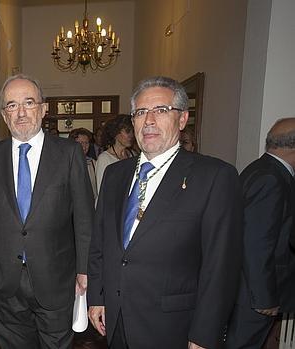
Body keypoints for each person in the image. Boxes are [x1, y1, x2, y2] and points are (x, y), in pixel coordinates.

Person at [88, 76, 243, 349]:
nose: (149, 120)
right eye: (140, 113)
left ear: (182, 120)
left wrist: (205, 334)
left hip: (173, 327)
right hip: (117, 319)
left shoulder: (214, 177)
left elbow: (221, 266)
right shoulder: (115, 174)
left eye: (161, 110)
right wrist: (97, 296)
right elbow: (100, 243)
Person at [0, 74, 94, 349]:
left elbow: (84, 217)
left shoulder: (69, 153)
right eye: (12, 105)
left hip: (56, 281)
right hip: (4, 282)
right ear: (4, 115)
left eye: (28, 102)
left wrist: (84, 270)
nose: (21, 112)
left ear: (43, 108)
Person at [226, 117, 295, 349]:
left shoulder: (261, 168)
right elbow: (256, 243)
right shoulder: (271, 179)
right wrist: (264, 298)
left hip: (248, 288)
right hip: (253, 293)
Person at [95, 114, 136, 194]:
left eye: (132, 131)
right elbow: (102, 190)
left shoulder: (133, 154)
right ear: (116, 133)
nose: (131, 135)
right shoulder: (104, 158)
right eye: (127, 131)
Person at [70, 127, 98, 200]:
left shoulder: (93, 163)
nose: (84, 146)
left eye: (86, 143)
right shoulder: (67, 164)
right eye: (80, 143)